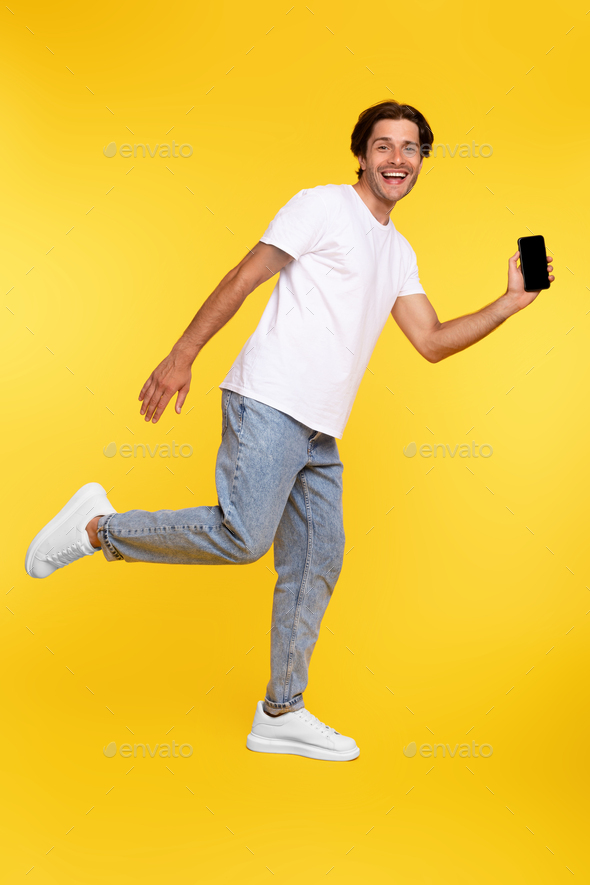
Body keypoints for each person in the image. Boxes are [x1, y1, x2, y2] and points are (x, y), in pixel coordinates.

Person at [25, 100, 554, 762]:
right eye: (383, 146)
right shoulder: (321, 205)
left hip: (319, 432)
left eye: (410, 148)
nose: (397, 158)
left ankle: (281, 710)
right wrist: (182, 353)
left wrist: (509, 301)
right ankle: (98, 527)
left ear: (422, 161)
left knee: (314, 563)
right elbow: (245, 276)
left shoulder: (398, 252)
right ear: (361, 154)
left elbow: (433, 340)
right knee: (243, 536)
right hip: (269, 400)